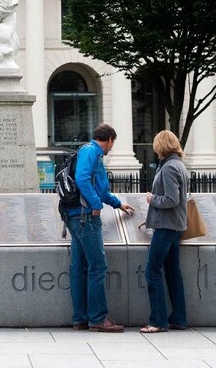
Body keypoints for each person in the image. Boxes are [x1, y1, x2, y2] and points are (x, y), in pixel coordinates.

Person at [66, 123, 135, 333]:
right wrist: (96, 205)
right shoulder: (91, 152)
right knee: (97, 267)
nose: (112, 148)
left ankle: (80, 318)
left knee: (79, 267)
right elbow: (82, 179)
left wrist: (117, 203)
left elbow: (101, 189)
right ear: (109, 140)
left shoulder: (88, 152)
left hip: (75, 215)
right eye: (113, 144)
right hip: (86, 217)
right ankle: (97, 318)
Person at [141, 130, 189, 334]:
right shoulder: (179, 165)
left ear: (160, 146)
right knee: (172, 271)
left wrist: (152, 199)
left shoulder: (169, 168)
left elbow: (171, 200)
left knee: (152, 271)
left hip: (166, 227)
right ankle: (179, 318)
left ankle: (159, 321)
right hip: (175, 225)